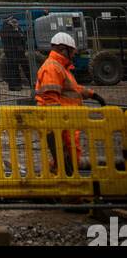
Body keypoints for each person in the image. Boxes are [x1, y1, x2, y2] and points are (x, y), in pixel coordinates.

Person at [34, 31, 104, 174]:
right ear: (63, 49)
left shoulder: (61, 68)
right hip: (61, 123)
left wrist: (92, 94)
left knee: (66, 157)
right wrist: (59, 124)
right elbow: (50, 99)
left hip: (66, 121)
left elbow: (73, 89)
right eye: (72, 51)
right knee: (68, 156)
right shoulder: (52, 68)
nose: (74, 55)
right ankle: (66, 188)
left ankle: (58, 175)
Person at [0, 15, 32, 91]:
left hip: (18, 52)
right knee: (14, 69)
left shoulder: (15, 28)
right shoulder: (7, 29)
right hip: (12, 52)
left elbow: (22, 37)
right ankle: (15, 86)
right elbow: (16, 37)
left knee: (22, 68)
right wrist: (17, 32)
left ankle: (22, 84)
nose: (14, 22)